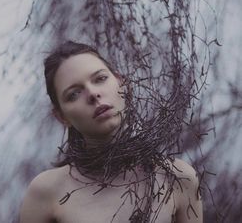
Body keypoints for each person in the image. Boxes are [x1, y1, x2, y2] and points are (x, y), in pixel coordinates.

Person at [20, 41, 203, 223]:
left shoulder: (179, 178)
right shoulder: (45, 192)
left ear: (121, 83)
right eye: (74, 94)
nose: (92, 93)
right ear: (62, 117)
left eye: (100, 79)